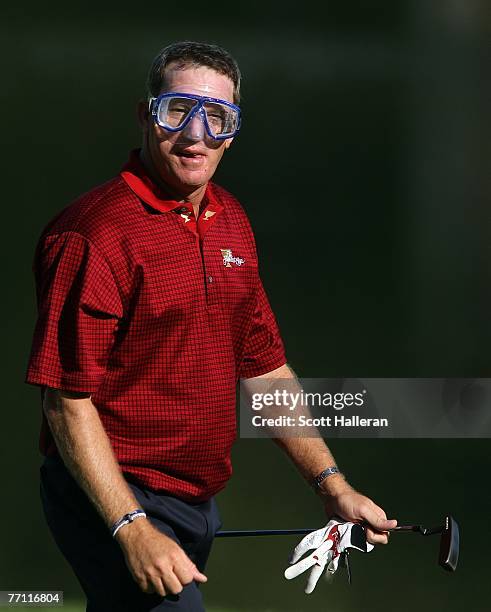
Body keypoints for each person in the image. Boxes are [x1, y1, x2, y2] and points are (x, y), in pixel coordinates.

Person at [24, 41, 396, 611]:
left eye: (217, 117)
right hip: (110, 495)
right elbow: (66, 402)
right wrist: (132, 527)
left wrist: (334, 488)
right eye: (178, 110)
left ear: (233, 130)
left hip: (197, 500)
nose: (195, 134)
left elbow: (266, 370)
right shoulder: (93, 236)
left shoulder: (232, 223)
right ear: (147, 114)